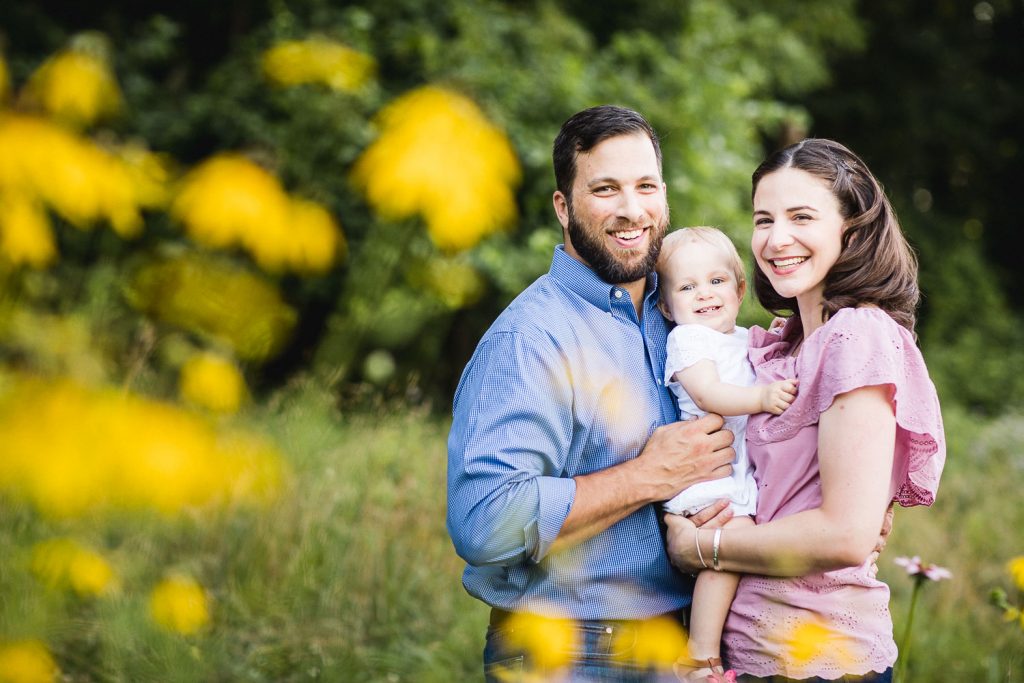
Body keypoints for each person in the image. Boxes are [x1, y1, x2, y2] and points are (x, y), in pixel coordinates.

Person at [447, 105, 737, 682]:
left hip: (683, 646)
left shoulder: (682, 311)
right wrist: (648, 477)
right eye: (605, 189)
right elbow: (481, 523)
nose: (632, 210)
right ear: (564, 206)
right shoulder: (531, 337)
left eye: (645, 186)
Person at [664, 138, 946, 683]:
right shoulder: (782, 346)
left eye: (801, 217)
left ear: (852, 229)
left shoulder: (856, 336)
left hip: (816, 659)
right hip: (749, 652)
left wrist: (700, 546)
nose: (776, 239)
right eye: (763, 219)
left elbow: (844, 534)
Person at [653, 227, 797, 682]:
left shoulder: (737, 337)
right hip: (707, 475)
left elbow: (762, 353)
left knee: (737, 547)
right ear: (665, 306)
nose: (704, 294)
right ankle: (699, 652)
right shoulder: (688, 341)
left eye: (716, 281)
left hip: (735, 471)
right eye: (687, 286)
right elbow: (711, 392)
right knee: (727, 547)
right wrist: (760, 399)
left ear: (738, 291)